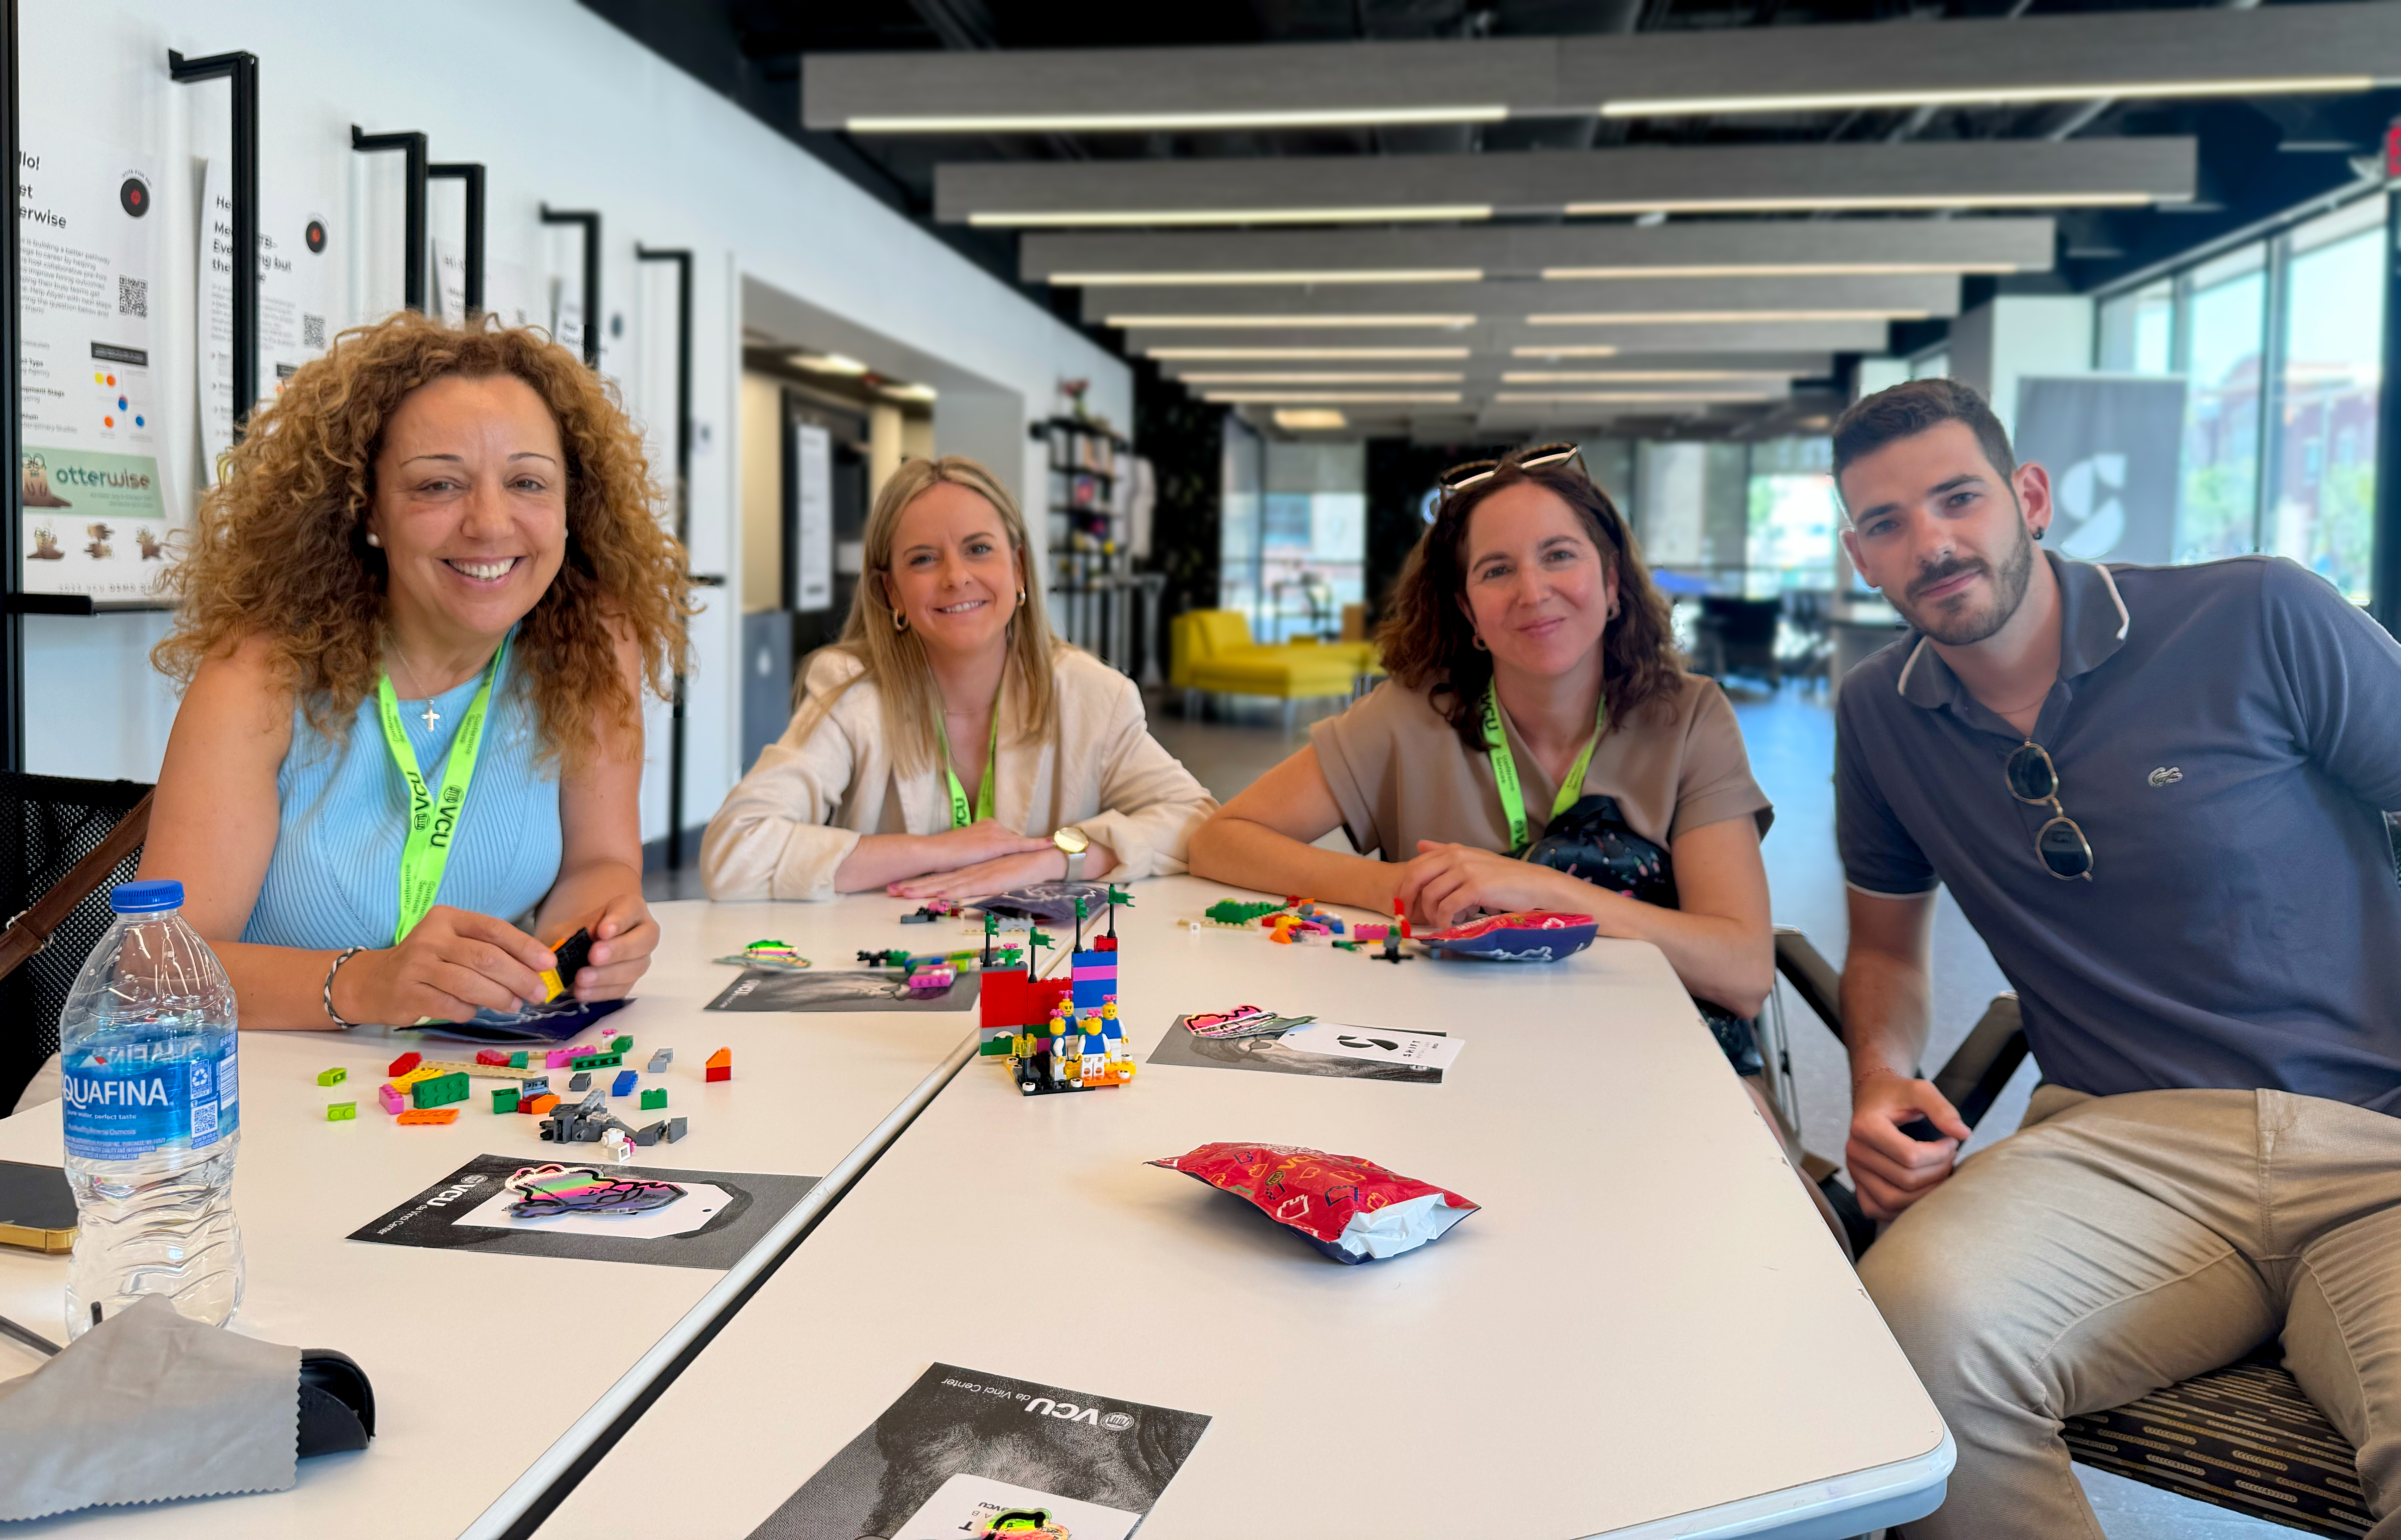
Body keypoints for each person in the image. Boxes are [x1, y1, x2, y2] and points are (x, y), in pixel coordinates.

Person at [1829, 378, 2401, 1539]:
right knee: (1911, 1338)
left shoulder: (2257, 616)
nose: (1932, 543)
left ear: (2028, 497)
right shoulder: (1880, 715)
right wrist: (1884, 1078)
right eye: (1887, 524)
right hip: (2117, 1150)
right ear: (1859, 558)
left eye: (1958, 499)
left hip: (2376, 1145)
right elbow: (1885, 946)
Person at [1187, 445, 1847, 1244]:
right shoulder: (1406, 716)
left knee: (1781, 1257)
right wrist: (1400, 887)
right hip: (1456, 1059)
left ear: (1611, 583)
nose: (1533, 591)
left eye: (1559, 556)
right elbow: (1222, 841)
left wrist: (1542, 889)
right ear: (1466, 609)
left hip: (1660, 1062)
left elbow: (1741, 970)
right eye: (1496, 569)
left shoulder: (1690, 717)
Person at [143, 311, 689, 1029]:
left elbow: (599, 859)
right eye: (438, 486)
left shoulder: (591, 642)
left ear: (569, 508)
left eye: (528, 482)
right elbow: (156, 970)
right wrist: (365, 983)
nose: (490, 523)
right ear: (368, 508)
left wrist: (600, 935)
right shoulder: (260, 673)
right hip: (262, 1099)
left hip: (463, 1090)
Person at [702, 456, 1214, 900]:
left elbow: (1197, 821)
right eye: (923, 559)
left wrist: (1057, 858)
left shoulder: (1092, 695)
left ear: (1018, 569)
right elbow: (734, 850)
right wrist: (939, 852)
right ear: (892, 593)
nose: (955, 576)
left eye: (978, 549)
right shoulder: (849, 693)